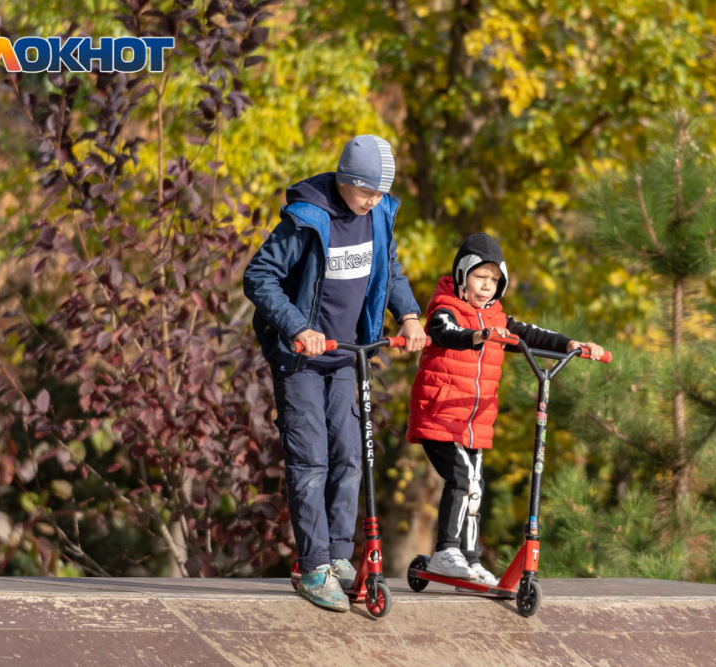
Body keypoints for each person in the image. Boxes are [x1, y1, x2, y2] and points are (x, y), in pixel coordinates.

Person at [244, 135, 425, 611]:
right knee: (311, 462)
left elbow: (391, 267)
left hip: (347, 355)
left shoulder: (378, 214)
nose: (374, 201)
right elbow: (258, 276)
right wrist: (296, 327)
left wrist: (408, 314)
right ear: (346, 180)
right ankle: (314, 566)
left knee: (349, 456)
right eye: (368, 191)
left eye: (381, 192)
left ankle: (341, 557)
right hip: (301, 358)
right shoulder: (308, 218)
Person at [406, 233, 605, 585]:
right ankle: (446, 551)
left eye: (495, 280)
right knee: (462, 478)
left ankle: (468, 557)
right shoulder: (445, 307)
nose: (487, 286)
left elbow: (531, 334)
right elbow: (444, 332)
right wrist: (478, 337)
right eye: (480, 277)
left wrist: (570, 344)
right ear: (461, 276)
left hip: (475, 419)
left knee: (476, 486)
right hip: (440, 414)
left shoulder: (498, 317)